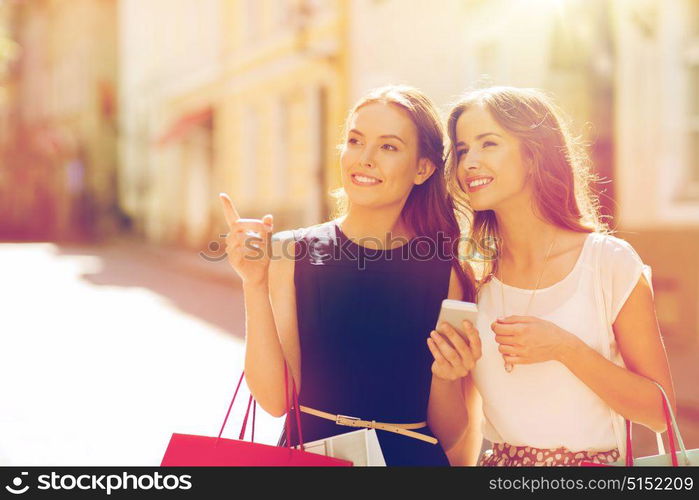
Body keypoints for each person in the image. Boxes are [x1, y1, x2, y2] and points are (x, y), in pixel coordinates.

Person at [219, 85, 482, 465]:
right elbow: (275, 400)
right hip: (311, 460)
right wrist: (253, 284)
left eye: (388, 147)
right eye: (355, 141)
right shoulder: (291, 252)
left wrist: (445, 376)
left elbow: (450, 434)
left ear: (423, 168)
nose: (365, 158)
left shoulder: (449, 273)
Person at [442, 86, 676, 466]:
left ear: (534, 156)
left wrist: (564, 348)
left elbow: (660, 413)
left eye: (488, 144)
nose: (469, 162)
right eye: (464, 149)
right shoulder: (473, 279)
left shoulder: (607, 262)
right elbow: (463, 430)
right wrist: (444, 375)